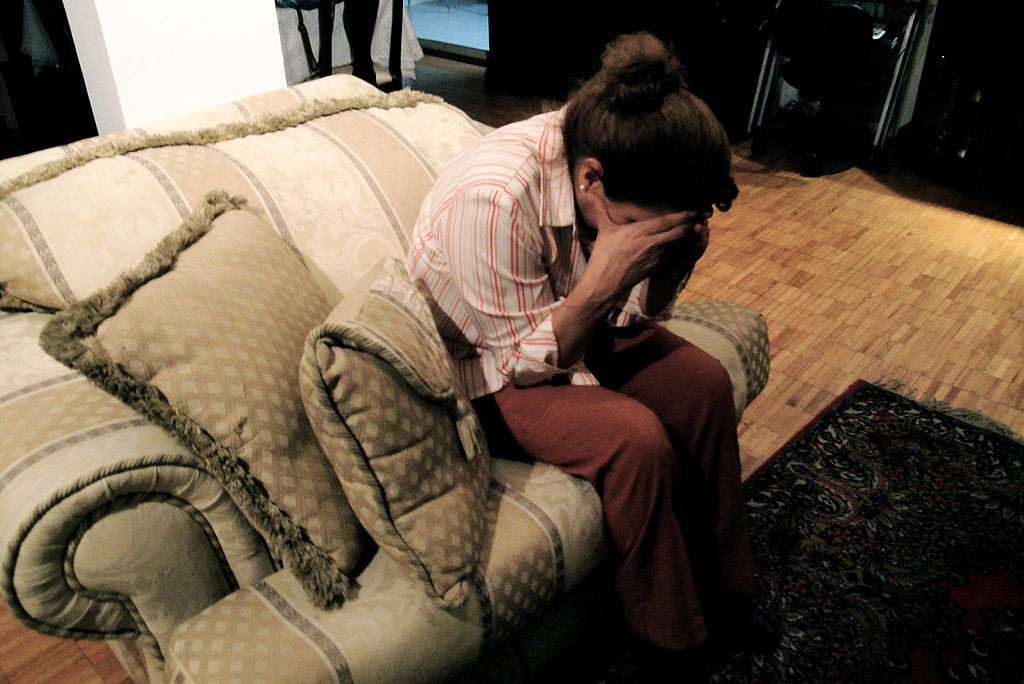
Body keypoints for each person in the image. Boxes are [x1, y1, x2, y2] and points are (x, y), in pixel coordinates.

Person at [407, 32, 775, 671]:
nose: (648, 243)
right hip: (481, 367)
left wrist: (660, 267)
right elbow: (523, 361)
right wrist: (607, 279)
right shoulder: (492, 197)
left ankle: (727, 588)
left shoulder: (618, 152)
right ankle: (670, 639)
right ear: (590, 179)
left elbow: (632, 316)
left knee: (703, 383)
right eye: (643, 232)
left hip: (567, 327)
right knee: (634, 439)